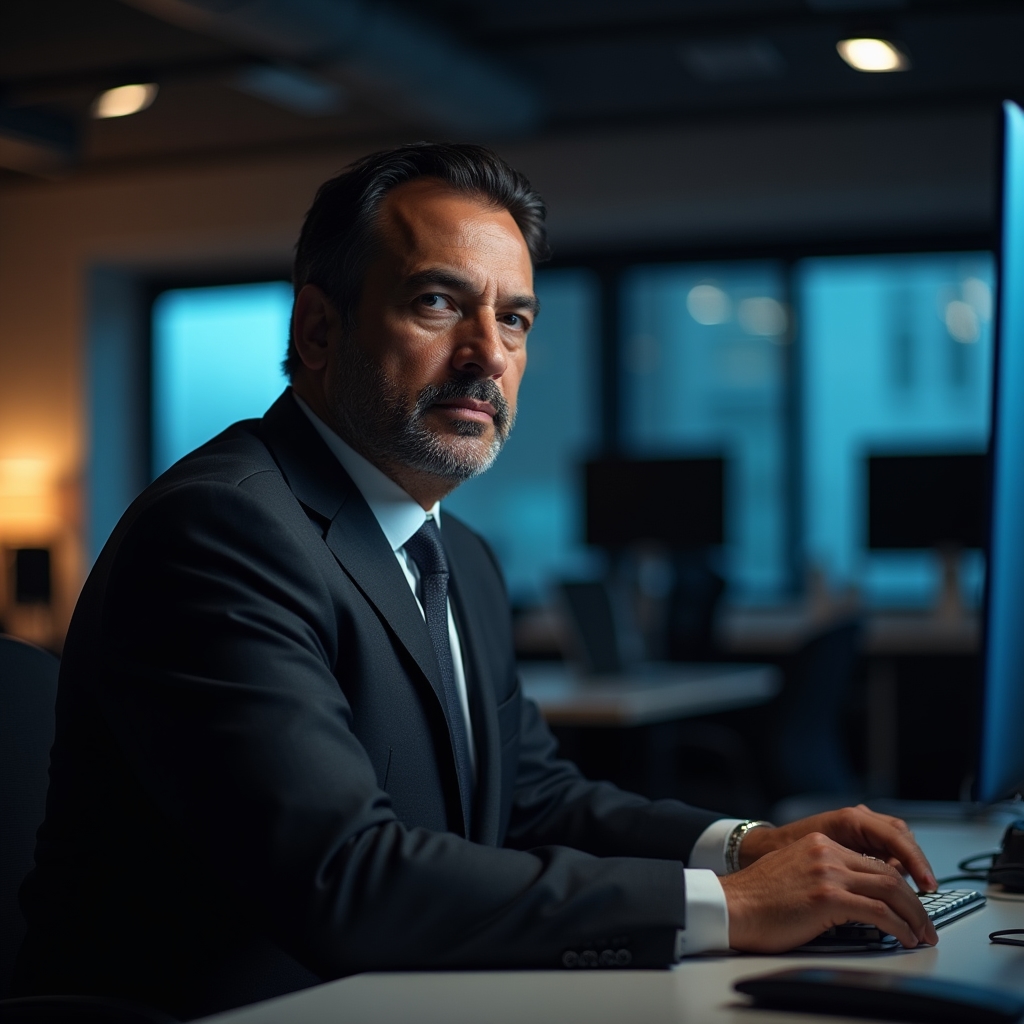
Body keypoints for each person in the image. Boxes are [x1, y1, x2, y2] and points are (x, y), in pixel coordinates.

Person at [15, 144, 938, 1020]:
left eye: (514, 318)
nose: (488, 354)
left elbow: (534, 800)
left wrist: (747, 846)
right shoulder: (223, 532)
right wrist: (727, 907)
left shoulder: (464, 557)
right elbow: (348, 877)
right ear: (319, 328)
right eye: (436, 303)